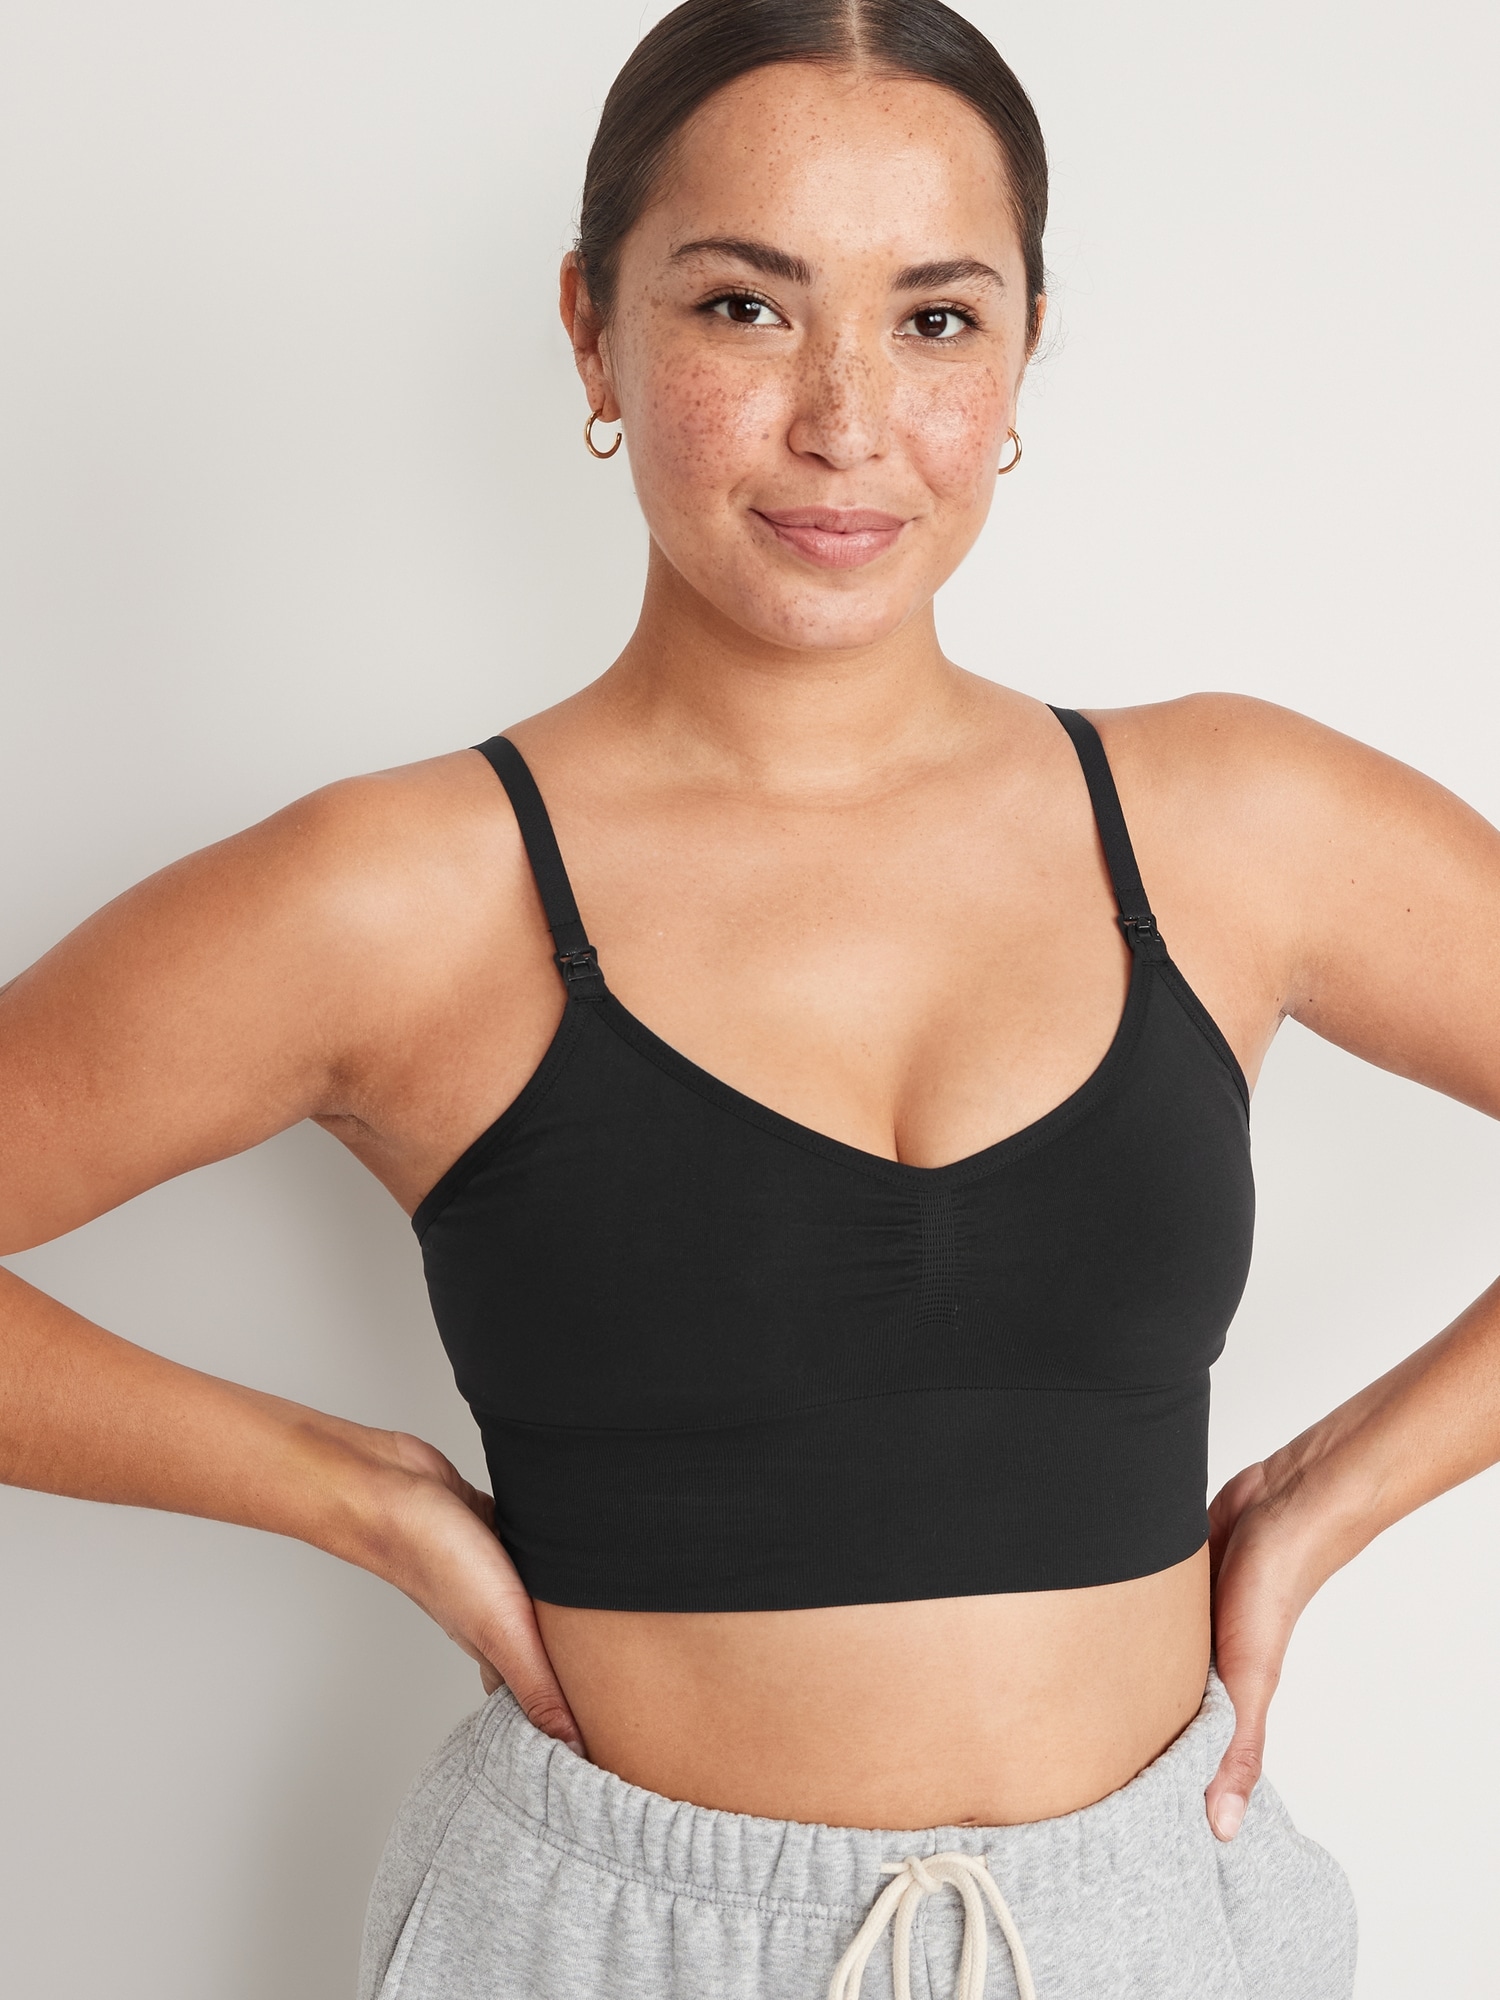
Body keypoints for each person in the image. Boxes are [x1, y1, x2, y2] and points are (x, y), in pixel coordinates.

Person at [3, 0, 1498, 1993]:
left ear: (1025, 350)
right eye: (745, 307)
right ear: (591, 329)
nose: (845, 422)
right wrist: (347, 1490)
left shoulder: (1236, 821)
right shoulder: (402, 894)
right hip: (614, 1939)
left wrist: (1331, 1494)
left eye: (937, 319)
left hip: (1163, 1924)